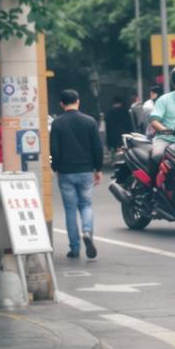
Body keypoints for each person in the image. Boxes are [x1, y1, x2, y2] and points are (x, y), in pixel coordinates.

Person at [50, 89, 104, 260]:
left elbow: (54, 149)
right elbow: (97, 147)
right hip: (86, 170)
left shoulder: (57, 123)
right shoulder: (90, 121)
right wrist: (98, 168)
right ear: (78, 101)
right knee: (86, 204)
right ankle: (87, 231)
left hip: (66, 171)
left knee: (70, 210)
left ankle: (74, 248)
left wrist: (56, 167)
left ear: (61, 104)